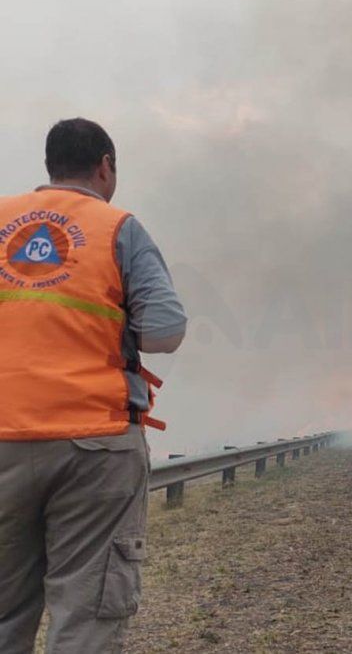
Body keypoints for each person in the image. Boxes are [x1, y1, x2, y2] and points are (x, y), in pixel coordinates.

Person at [0, 118, 187, 653]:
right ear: (105, 166)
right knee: (85, 615)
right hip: (94, 443)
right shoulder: (117, 227)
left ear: (49, 167)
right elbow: (164, 331)